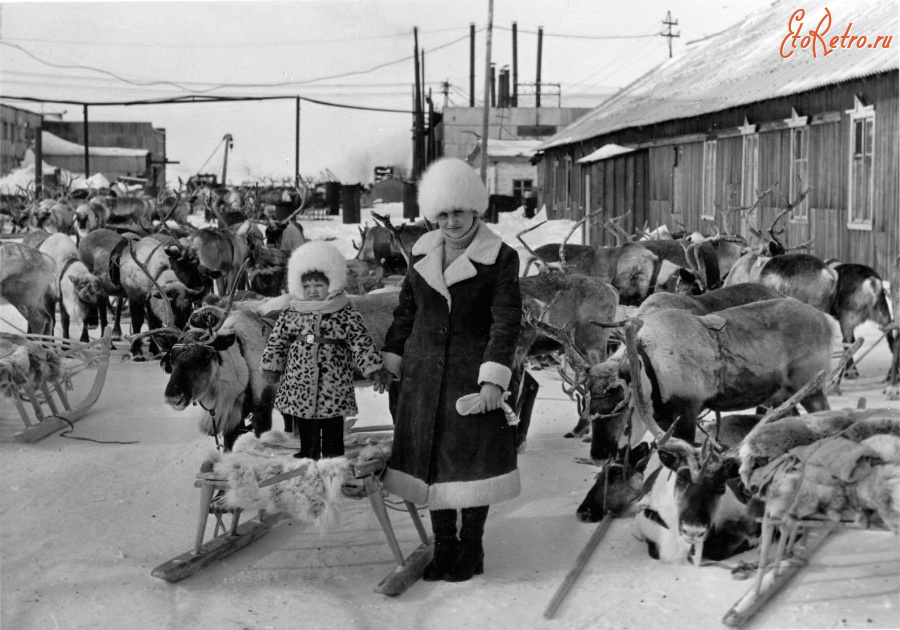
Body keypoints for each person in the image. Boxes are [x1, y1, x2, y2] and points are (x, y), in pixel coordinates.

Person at [380, 157, 523, 582]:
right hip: (423, 376)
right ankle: (444, 548)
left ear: (475, 208)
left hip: (469, 374)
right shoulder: (422, 251)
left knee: (470, 464)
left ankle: (471, 550)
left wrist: (494, 376)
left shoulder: (500, 257)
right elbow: (407, 310)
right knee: (433, 464)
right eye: (442, 213)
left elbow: (506, 321)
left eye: (459, 211)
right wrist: (393, 355)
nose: (451, 221)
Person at [260, 240, 393, 459]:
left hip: (333, 379)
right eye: (307, 286)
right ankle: (307, 451)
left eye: (318, 285)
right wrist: (272, 365)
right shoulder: (291, 312)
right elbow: (277, 341)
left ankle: (333, 455)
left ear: (331, 284)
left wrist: (374, 369)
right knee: (304, 419)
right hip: (299, 378)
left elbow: (361, 342)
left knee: (331, 420)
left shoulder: (344, 313)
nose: (312, 291)